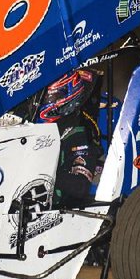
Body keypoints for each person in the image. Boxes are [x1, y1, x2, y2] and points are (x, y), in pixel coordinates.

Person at [38, 68, 103, 209]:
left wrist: (40, 171)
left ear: (67, 98)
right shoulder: (36, 128)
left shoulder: (78, 134)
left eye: (49, 97)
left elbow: (80, 186)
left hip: (56, 211)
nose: (44, 101)